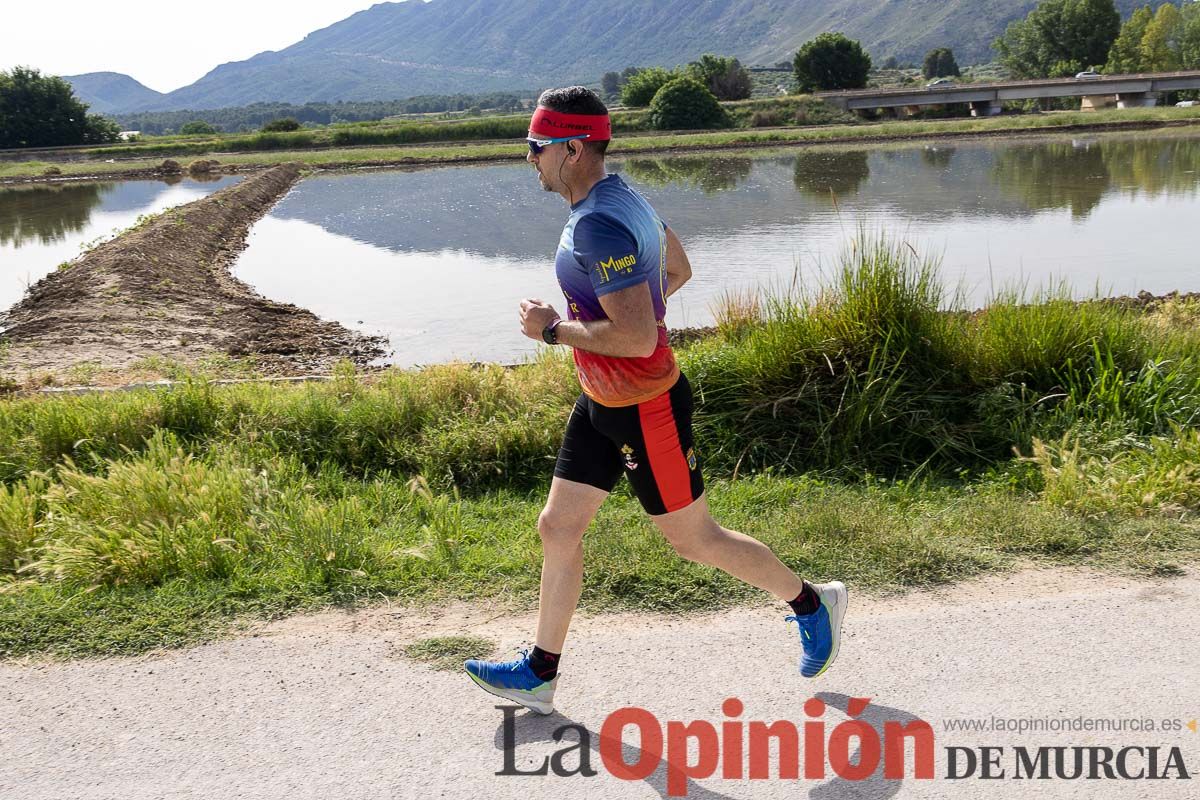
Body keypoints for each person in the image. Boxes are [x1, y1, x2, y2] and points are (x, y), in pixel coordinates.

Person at [464, 87, 846, 715]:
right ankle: (540, 672)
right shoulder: (619, 197)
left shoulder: (599, 221)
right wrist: (641, 304)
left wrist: (552, 330)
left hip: (646, 408)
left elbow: (637, 337)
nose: (528, 158)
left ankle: (811, 601)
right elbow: (679, 268)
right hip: (599, 401)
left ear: (571, 148)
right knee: (558, 527)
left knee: (694, 539)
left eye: (535, 147)